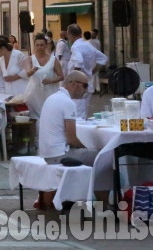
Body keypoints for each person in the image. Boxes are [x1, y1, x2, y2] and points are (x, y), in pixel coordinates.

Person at [36, 71, 102, 209]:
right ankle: (103, 203)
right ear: (72, 84)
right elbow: (71, 138)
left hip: (48, 153)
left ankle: (81, 198)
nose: (86, 90)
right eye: (84, 86)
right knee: (103, 158)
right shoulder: (68, 103)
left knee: (94, 155)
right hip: (59, 154)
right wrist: (86, 148)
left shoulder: (52, 98)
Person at [67, 23, 108, 119]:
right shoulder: (88, 45)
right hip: (87, 82)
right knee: (83, 112)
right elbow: (104, 58)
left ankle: (79, 132)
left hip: (77, 85)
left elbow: (79, 61)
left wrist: (74, 79)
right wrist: (93, 71)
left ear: (71, 35)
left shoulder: (76, 47)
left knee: (76, 113)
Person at [25, 33, 63, 121]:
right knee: (35, 119)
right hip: (34, 95)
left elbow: (61, 76)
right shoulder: (31, 59)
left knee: (49, 118)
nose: (39, 47)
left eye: (42, 45)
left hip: (49, 94)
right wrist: (32, 70)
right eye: (37, 45)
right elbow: (27, 73)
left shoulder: (53, 59)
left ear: (46, 46)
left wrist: (50, 81)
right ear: (34, 46)